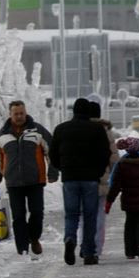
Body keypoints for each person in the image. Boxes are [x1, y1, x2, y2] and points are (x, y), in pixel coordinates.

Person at [0, 100, 58, 256]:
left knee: (37, 212)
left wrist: (52, 172)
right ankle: (22, 249)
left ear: (25, 112)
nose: (19, 116)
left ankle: (34, 238)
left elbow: (51, 150)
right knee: (18, 216)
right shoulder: (2, 135)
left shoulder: (37, 131)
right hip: (13, 182)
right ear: (10, 114)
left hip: (35, 180)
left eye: (22, 113)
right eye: (16, 114)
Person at [49, 98, 111, 266]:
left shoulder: (61, 129)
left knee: (71, 214)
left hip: (69, 178)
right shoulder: (97, 129)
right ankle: (89, 253)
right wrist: (98, 172)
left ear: (74, 111)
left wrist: (63, 168)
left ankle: (70, 238)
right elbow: (105, 153)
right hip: (90, 179)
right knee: (90, 216)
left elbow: (53, 154)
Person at [78, 101, 119, 259]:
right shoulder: (106, 132)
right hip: (102, 178)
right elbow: (114, 158)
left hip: (82, 177)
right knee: (99, 215)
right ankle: (96, 247)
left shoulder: (82, 130)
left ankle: (84, 244)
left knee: (84, 214)